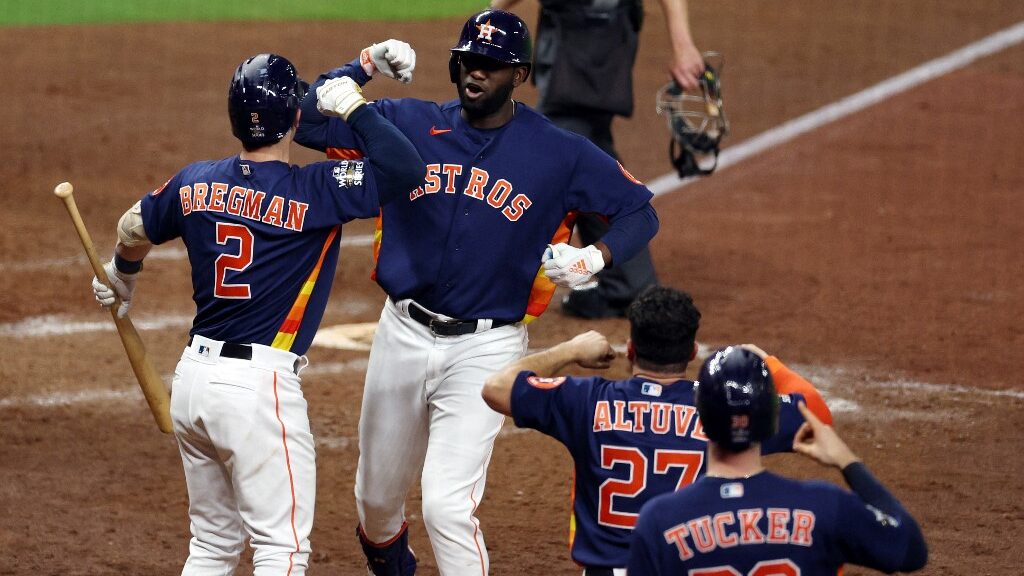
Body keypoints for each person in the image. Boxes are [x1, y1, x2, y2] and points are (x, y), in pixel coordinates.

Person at [294, 10, 660, 575]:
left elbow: (639, 210)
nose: (475, 74)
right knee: (375, 505)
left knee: (446, 505)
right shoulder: (407, 125)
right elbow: (309, 121)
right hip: (402, 332)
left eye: (490, 66)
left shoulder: (558, 153)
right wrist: (363, 66)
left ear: (518, 75)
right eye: (468, 62)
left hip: (487, 349)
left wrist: (596, 255)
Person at [90, 53, 424, 575]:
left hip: (195, 382)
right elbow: (405, 169)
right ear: (295, 120)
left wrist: (121, 275)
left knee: (212, 546)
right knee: (281, 549)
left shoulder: (193, 181)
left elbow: (133, 227)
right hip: (257, 393)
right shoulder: (319, 187)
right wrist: (356, 106)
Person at [481, 286, 833, 574]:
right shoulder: (723, 407)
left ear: (631, 350)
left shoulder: (585, 400)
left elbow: (497, 386)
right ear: (693, 351)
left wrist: (569, 350)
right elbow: (816, 417)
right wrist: (765, 362)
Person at [627, 346, 929, 575]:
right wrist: (847, 461)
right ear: (774, 421)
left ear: (700, 419)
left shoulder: (659, 522)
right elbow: (910, 550)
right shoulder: (824, 506)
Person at [491, 0, 706, 318]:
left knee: (565, 149)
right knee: (584, 139)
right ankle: (625, 281)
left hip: (590, 33)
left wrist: (488, 18)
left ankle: (630, 283)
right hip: (595, 29)